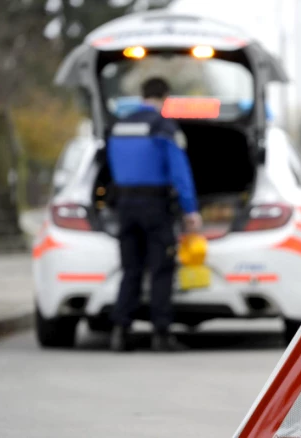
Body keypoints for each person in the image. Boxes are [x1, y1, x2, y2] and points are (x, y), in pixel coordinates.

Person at [107, 77, 203, 352]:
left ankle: (120, 331)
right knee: (161, 269)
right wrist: (190, 209)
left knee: (131, 270)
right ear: (165, 96)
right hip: (155, 207)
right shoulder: (163, 127)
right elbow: (179, 172)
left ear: (142, 94)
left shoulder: (119, 126)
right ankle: (161, 335)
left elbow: (111, 167)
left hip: (124, 206)